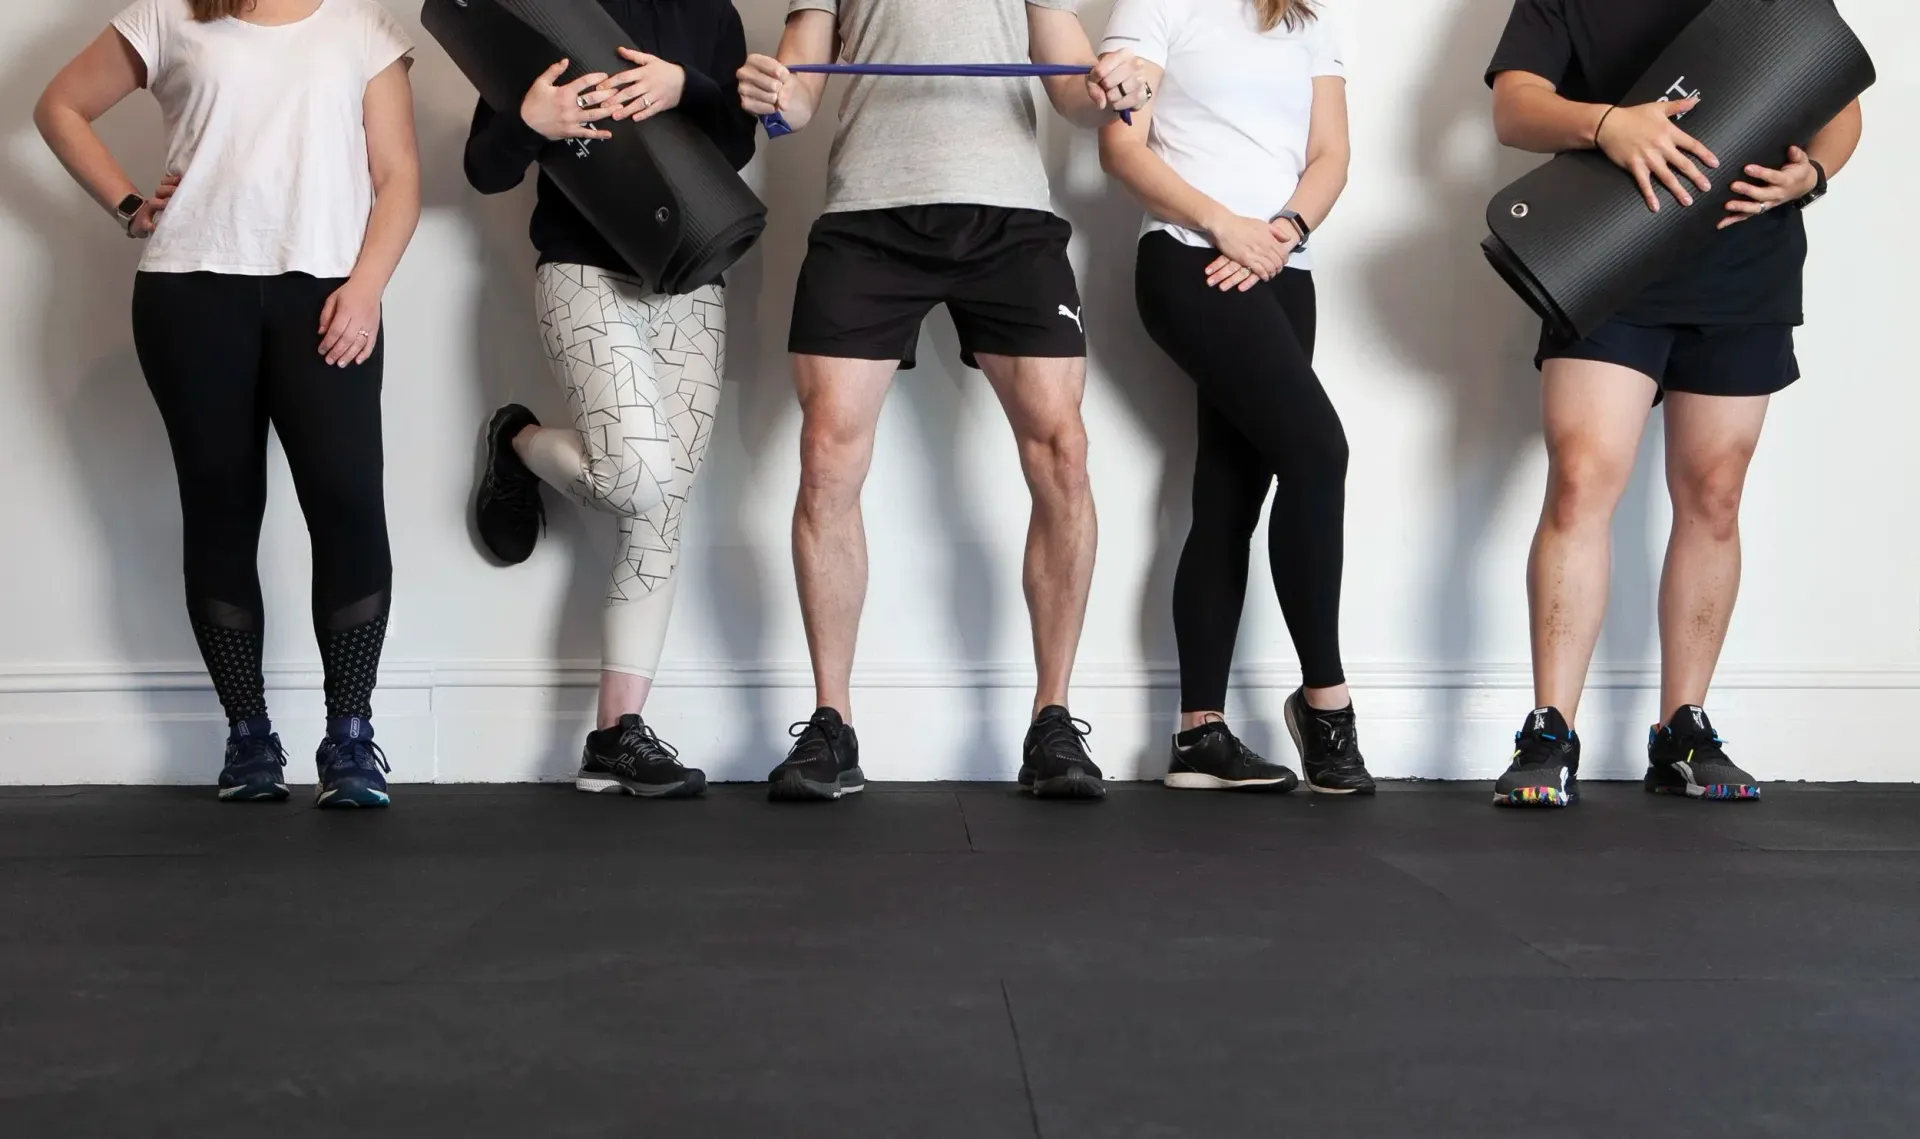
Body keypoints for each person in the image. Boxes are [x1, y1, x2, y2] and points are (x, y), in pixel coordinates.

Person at [737, 2, 1146, 801]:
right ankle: (832, 723)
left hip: (1009, 217)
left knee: (1064, 452)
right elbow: (800, 94)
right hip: (867, 216)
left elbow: (1069, 90)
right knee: (826, 457)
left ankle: (1053, 720)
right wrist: (772, 96)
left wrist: (1108, 85)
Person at [35, 0, 420, 807]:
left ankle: (350, 740)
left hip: (327, 295)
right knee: (219, 509)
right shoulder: (169, 15)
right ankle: (249, 739)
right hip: (189, 295)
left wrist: (367, 287)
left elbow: (397, 177)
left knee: (348, 504)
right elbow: (58, 105)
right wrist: (129, 205)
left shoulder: (361, 26)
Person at [1485, 0, 1864, 806]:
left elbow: (1839, 104)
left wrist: (1814, 175)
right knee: (1583, 479)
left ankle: (1681, 731)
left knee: (1714, 497)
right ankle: (1549, 729)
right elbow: (1514, 107)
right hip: (1607, 260)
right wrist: (1607, 125)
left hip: (1744, 266)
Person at [468, 0, 757, 799]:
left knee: (661, 508)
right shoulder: (541, 11)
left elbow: (735, 146)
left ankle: (614, 734)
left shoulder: (712, 14)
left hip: (689, 271)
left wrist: (687, 88)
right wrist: (532, 118)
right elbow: (485, 167)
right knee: (640, 476)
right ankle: (518, 440)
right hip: (581, 269)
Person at [1099, 0, 1375, 795]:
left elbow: (1331, 154)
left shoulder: (1313, 17)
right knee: (1320, 453)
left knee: (1230, 490)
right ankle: (1326, 701)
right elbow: (1122, 145)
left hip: (1286, 268)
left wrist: (1282, 232)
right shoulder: (1155, 6)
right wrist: (1226, 227)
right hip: (1192, 258)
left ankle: (1200, 734)